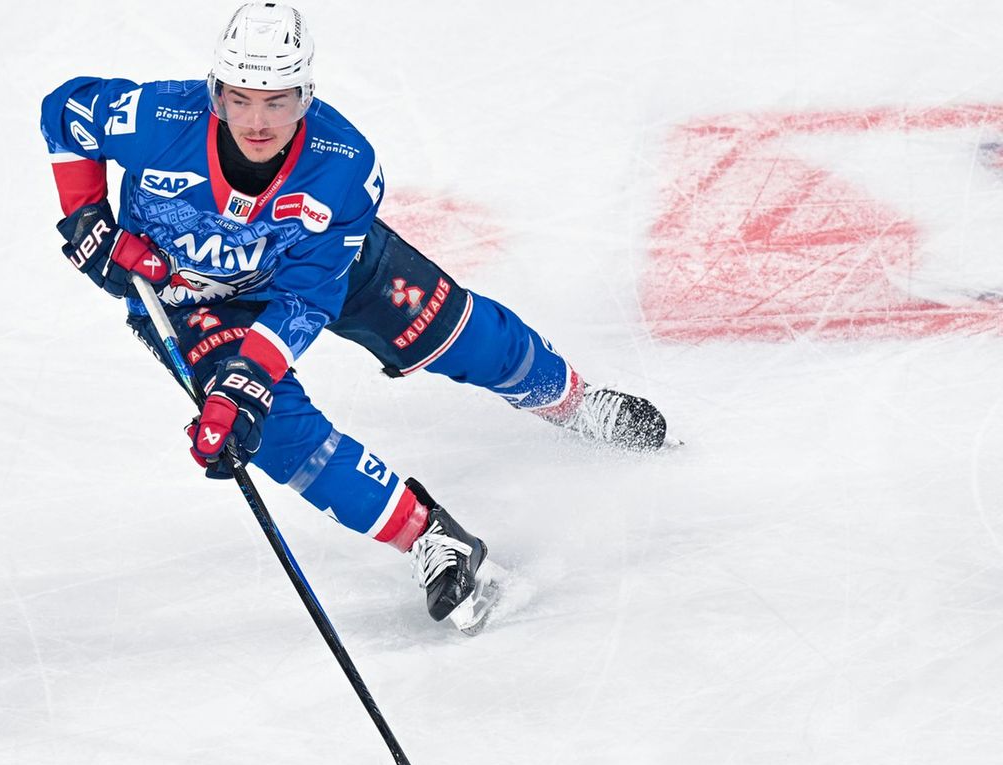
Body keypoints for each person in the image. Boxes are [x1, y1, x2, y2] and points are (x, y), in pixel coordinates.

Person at [39, 2, 668, 632]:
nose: (256, 121)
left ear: (306, 95)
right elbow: (63, 112)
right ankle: (429, 537)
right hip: (185, 302)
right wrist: (87, 218)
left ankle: (572, 401)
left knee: (460, 336)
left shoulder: (343, 166)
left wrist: (249, 373)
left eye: (278, 101)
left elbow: (305, 300)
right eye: (240, 98)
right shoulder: (155, 117)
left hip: (313, 272)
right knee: (271, 434)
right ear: (216, 92)